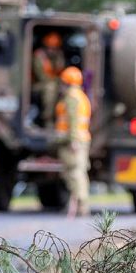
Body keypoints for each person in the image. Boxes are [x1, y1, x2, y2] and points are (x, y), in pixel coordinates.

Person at [55, 66, 92, 218]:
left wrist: (73, 141)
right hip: (81, 139)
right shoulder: (81, 96)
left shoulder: (71, 97)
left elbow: (73, 120)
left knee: (74, 172)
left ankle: (82, 205)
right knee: (79, 171)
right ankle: (80, 205)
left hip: (72, 141)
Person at [33, 32, 66, 127]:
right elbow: (42, 77)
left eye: (55, 48)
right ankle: (47, 119)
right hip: (38, 85)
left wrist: (59, 57)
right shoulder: (39, 56)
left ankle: (62, 120)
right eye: (50, 47)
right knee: (50, 88)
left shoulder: (58, 56)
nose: (52, 50)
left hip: (54, 83)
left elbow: (61, 71)